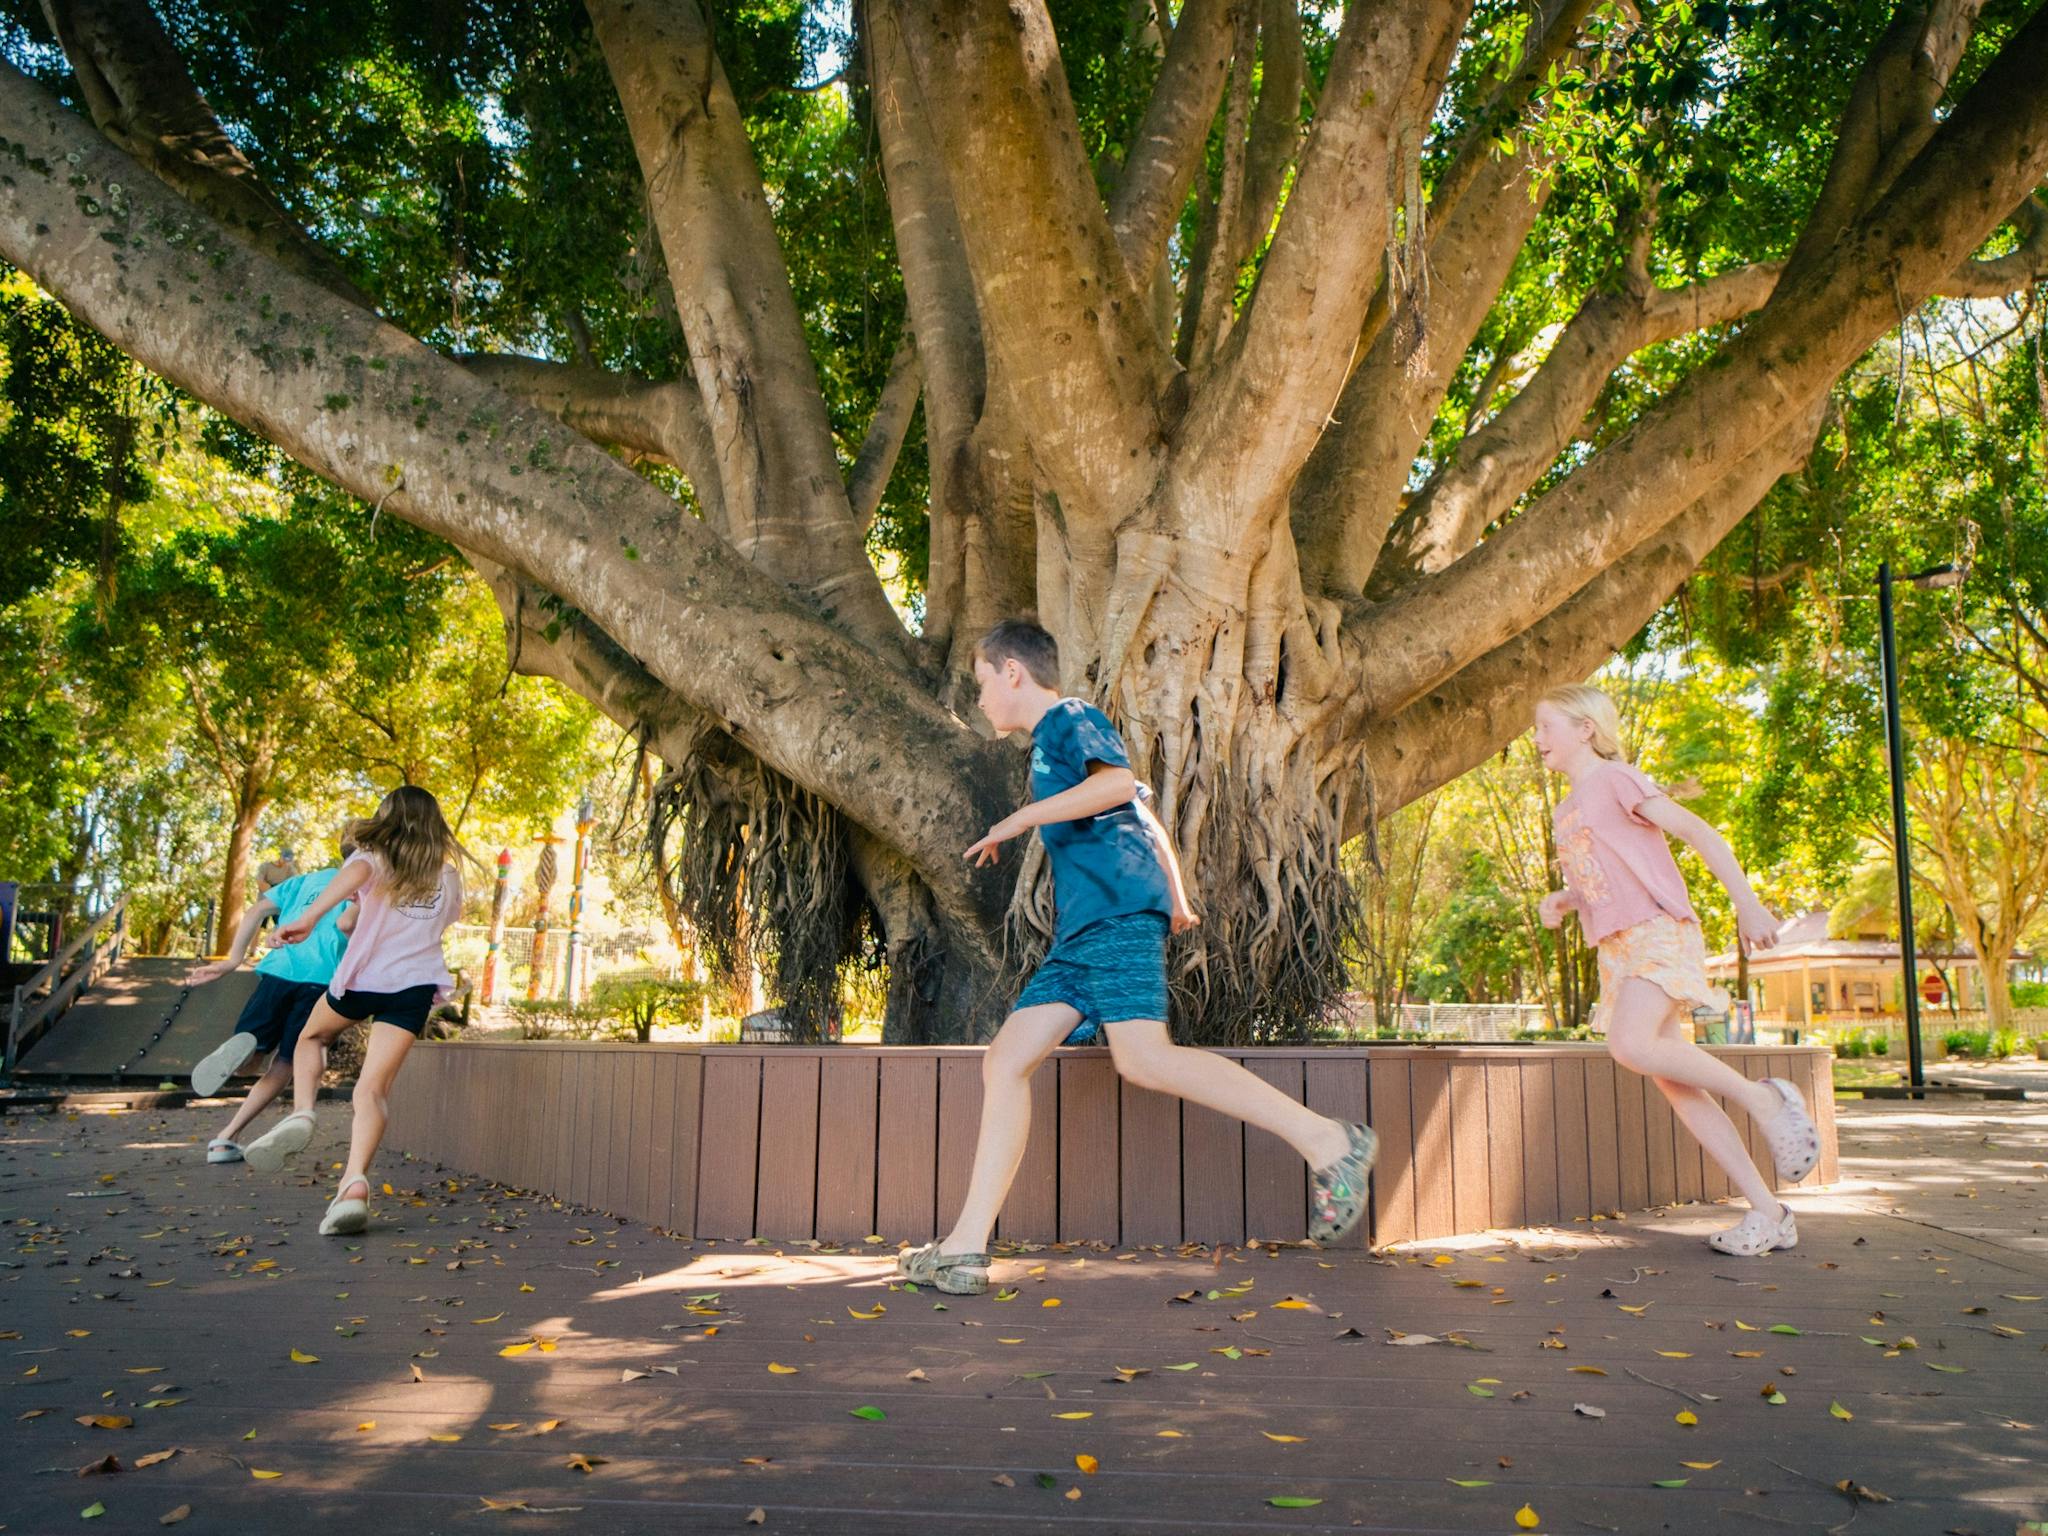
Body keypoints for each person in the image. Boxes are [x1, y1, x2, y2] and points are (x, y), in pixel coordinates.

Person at [895, 619, 1376, 1295]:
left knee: (1143, 1058)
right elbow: (1143, 812)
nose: (978, 700)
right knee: (1005, 1059)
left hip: (1115, 914)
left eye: (980, 683)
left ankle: (1330, 1142)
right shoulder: (1048, 748)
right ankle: (966, 1248)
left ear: (1012, 673)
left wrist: (1018, 820)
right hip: (1083, 934)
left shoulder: (1068, 717)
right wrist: (1176, 893)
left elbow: (1119, 784)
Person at [1534, 684, 1821, 1257]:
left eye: (1545, 727)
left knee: (1630, 1044)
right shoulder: (1567, 810)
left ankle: (1767, 1101)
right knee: (1677, 1082)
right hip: (1617, 948)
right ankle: (1769, 1213)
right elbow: (1608, 875)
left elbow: (1698, 831)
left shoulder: (1616, 780)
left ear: (1585, 729)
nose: (1536, 739)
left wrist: (1746, 902)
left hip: (1659, 933)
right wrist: (1568, 899)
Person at [242, 786, 470, 1237]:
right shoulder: (448, 876)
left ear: (387, 817)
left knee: (311, 1037)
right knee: (371, 1092)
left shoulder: (372, 858)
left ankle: (303, 1110)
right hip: (413, 990)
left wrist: (310, 918)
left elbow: (351, 900)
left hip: (364, 981)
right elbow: (440, 922)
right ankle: (354, 1184)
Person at [183, 835, 357, 1163]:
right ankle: (250, 1128)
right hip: (321, 980)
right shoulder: (365, 887)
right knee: (286, 1063)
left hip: (278, 970)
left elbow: (257, 909)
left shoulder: (305, 881)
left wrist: (233, 959)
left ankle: (227, 1133)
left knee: (251, 1056)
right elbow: (354, 927)